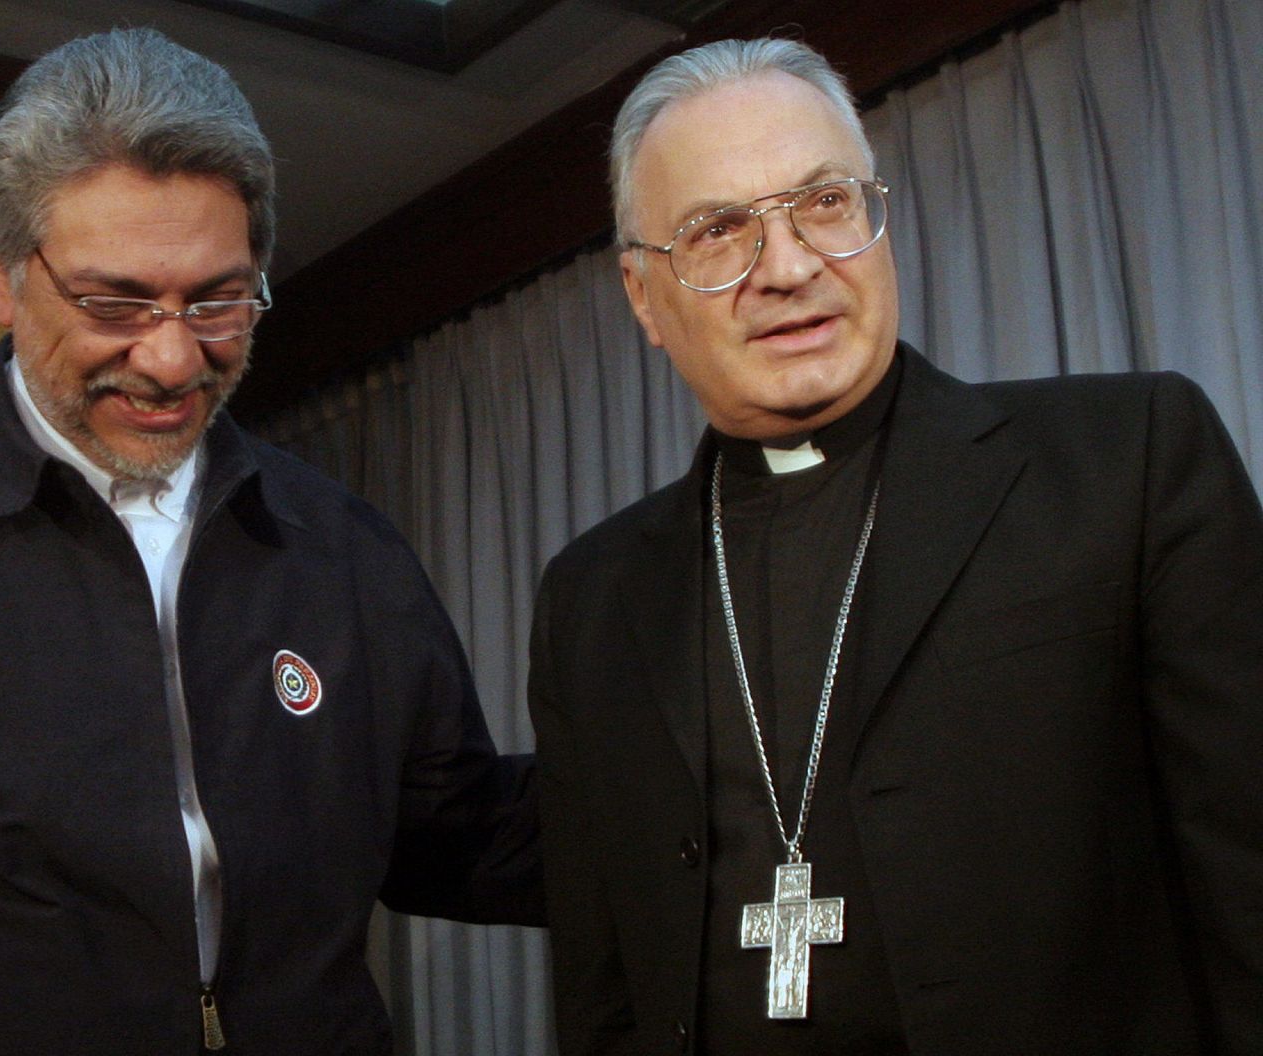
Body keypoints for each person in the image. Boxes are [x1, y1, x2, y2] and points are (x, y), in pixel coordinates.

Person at [0, 27, 539, 1055]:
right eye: (114, 302)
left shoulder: (345, 548)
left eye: (217, 300)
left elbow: (455, 835)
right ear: (3, 276)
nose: (172, 360)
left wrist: (717, 788)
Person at [528, 36, 1263, 1056]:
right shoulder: (592, 598)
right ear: (645, 298)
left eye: (825, 203)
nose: (786, 269)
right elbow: (600, 986)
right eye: (718, 231)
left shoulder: (1123, 460)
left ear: (878, 222)